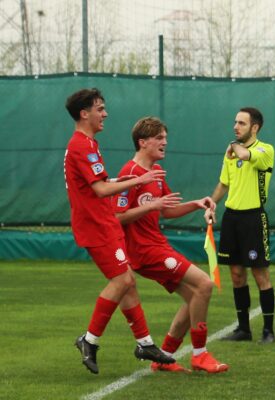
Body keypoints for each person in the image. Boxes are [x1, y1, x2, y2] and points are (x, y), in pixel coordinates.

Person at [64, 88, 175, 374]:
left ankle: (145, 342)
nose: (105, 113)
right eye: (100, 109)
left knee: (127, 281)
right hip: (96, 226)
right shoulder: (82, 146)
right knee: (121, 281)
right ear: (84, 113)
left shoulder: (88, 143)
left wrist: (121, 178)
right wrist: (138, 180)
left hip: (103, 223)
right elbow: (100, 190)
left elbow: (95, 183)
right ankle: (89, 340)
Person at [113, 116, 229, 373]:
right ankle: (200, 355)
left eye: (165, 137)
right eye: (159, 138)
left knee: (193, 299)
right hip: (144, 251)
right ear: (143, 142)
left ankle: (163, 357)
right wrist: (151, 206)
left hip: (157, 245)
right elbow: (116, 218)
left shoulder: (155, 174)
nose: (165, 142)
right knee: (204, 285)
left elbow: (167, 210)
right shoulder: (129, 174)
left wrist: (197, 203)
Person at [210, 107, 275, 344]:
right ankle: (244, 329)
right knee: (237, 275)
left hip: (253, 219)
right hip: (231, 218)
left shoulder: (264, 150)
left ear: (255, 127)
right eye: (235, 122)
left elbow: (246, 156)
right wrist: (211, 203)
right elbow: (223, 183)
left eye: (241, 123)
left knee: (260, 275)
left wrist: (233, 147)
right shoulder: (230, 152)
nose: (236, 127)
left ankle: (268, 330)